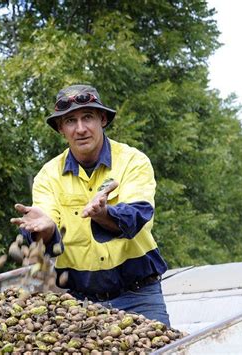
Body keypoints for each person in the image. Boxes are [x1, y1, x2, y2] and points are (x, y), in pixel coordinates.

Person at [10, 84, 170, 326]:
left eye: (88, 117)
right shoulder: (48, 175)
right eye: (71, 121)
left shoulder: (133, 161)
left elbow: (138, 214)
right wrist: (45, 229)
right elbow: (45, 221)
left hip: (139, 296)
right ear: (61, 129)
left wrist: (104, 214)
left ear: (102, 119)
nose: (81, 129)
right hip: (81, 304)